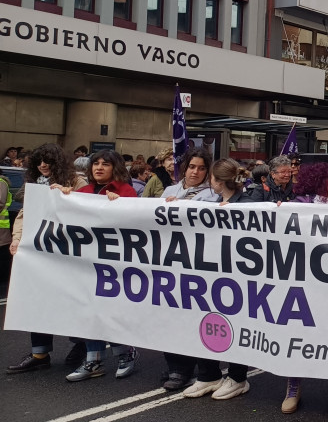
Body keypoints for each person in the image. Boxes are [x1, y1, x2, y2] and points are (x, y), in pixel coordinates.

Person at [53, 150, 141, 382]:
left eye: (105, 164)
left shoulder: (126, 191)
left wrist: (120, 205)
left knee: (112, 309)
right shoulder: (83, 192)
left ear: (116, 168)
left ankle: (125, 352)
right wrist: (63, 196)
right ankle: (94, 359)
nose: (99, 167)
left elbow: (136, 223)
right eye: (96, 164)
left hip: (115, 263)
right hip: (86, 263)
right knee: (89, 309)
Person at [6, 143, 89, 375]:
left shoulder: (77, 182)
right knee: (37, 301)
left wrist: (68, 196)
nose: (43, 165)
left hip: (68, 254)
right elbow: (25, 213)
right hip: (40, 252)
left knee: (73, 303)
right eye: (39, 161)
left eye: (48, 161)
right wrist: (17, 238)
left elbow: (89, 213)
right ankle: (39, 354)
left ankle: (82, 345)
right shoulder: (34, 184)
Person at [281, 159, 328, 414]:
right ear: (319, 182)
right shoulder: (298, 207)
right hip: (303, 281)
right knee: (298, 332)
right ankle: (293, 386)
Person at [182, 159, 252, 400]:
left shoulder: (249, 204)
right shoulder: (210, 203)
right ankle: (208, 374)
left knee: (237, 324)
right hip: (210, 276)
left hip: (237, 278)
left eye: (211, 177)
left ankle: (238, 377)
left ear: (218, 181)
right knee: (207, 322)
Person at [158, 148, 221, 390]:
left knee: (199, 316)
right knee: (171, 315)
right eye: (192, 166)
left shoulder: (213, 194)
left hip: (199, 262)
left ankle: (206, 370)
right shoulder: (170, 191)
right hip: (171, 260)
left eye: (202, 168)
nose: (195, 172)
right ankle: (177, 368)